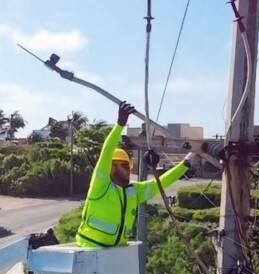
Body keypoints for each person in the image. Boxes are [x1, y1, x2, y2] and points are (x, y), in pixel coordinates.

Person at [75, 101, 194, 248]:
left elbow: (160, 183)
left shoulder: (134, 191)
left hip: (117, 251)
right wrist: (120, 125)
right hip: (90, 248)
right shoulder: (100, 186)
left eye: (128, 166)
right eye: (122, 166)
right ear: (110, 168)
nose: (127, 170)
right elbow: (106, 152)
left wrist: (185, 165)